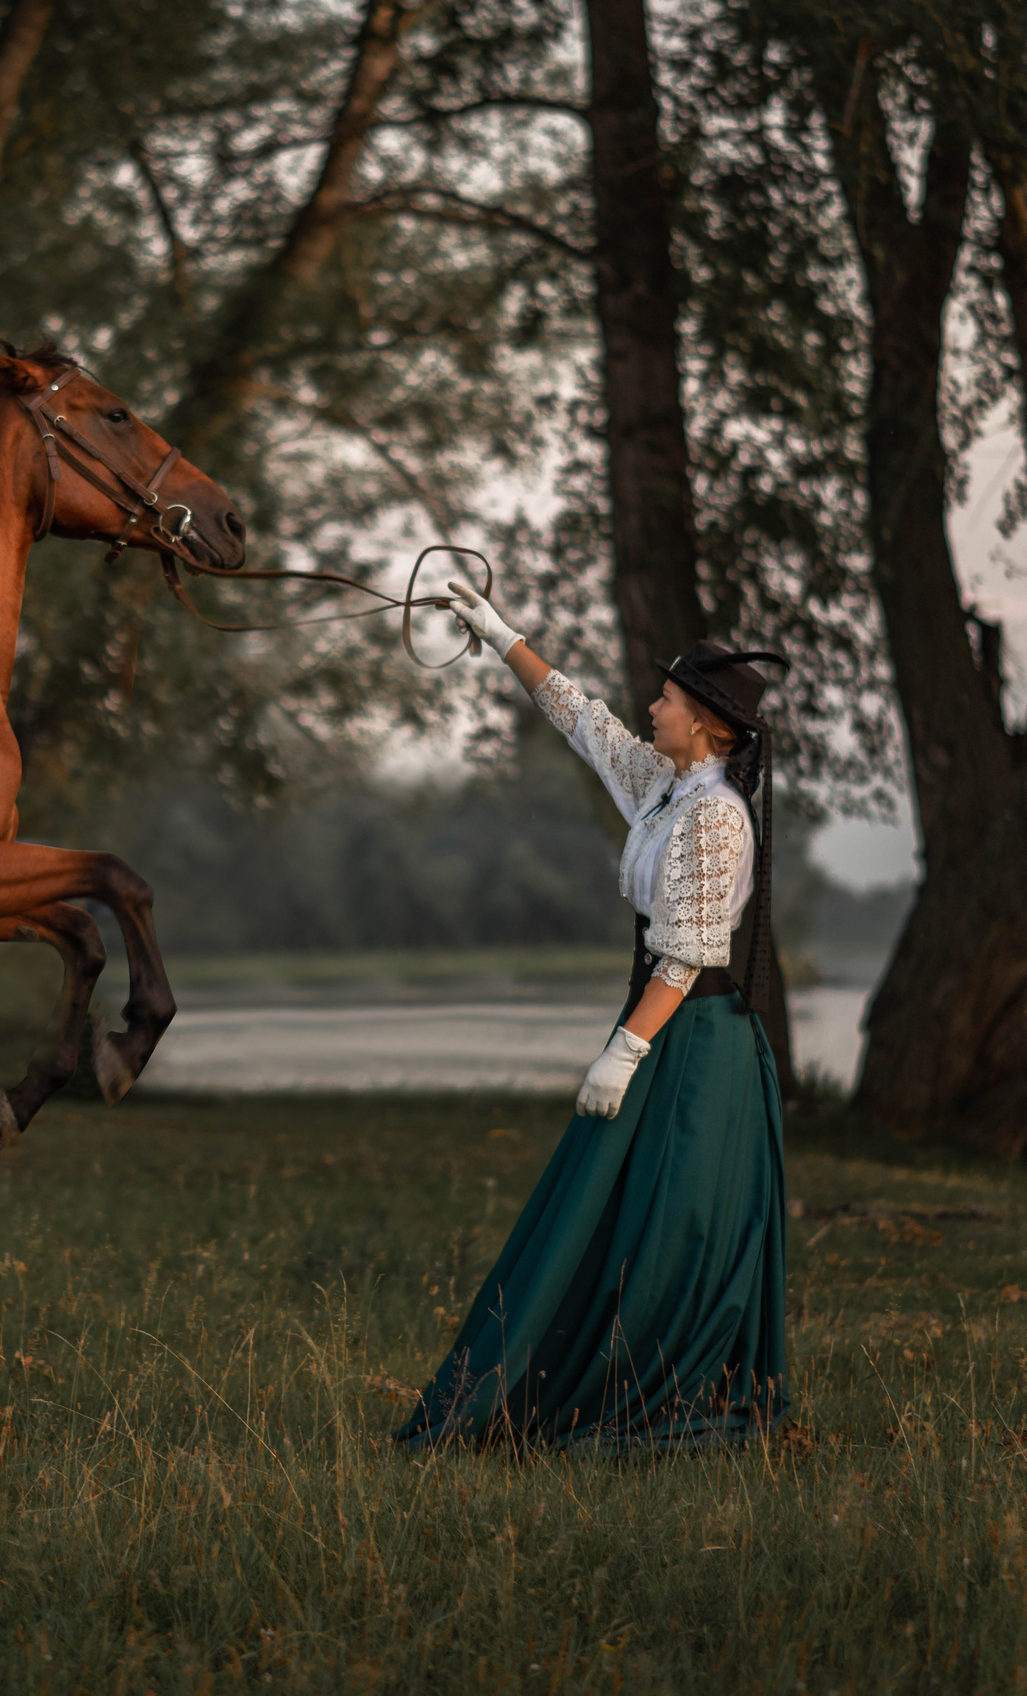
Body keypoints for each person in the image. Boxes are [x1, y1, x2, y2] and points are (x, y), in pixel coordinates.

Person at [398, 580, 792, 1453]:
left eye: (668, 698)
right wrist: (502, 638)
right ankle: (567, 1370)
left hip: (695, 1040)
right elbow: (584, 720)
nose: (651, 706)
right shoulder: (666, 785)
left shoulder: (717, 818)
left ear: (708, 726)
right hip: (661, 1024)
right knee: (602, 1203)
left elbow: (688, 953)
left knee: (676, 1213)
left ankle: (659, 1384)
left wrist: (624, 1051)